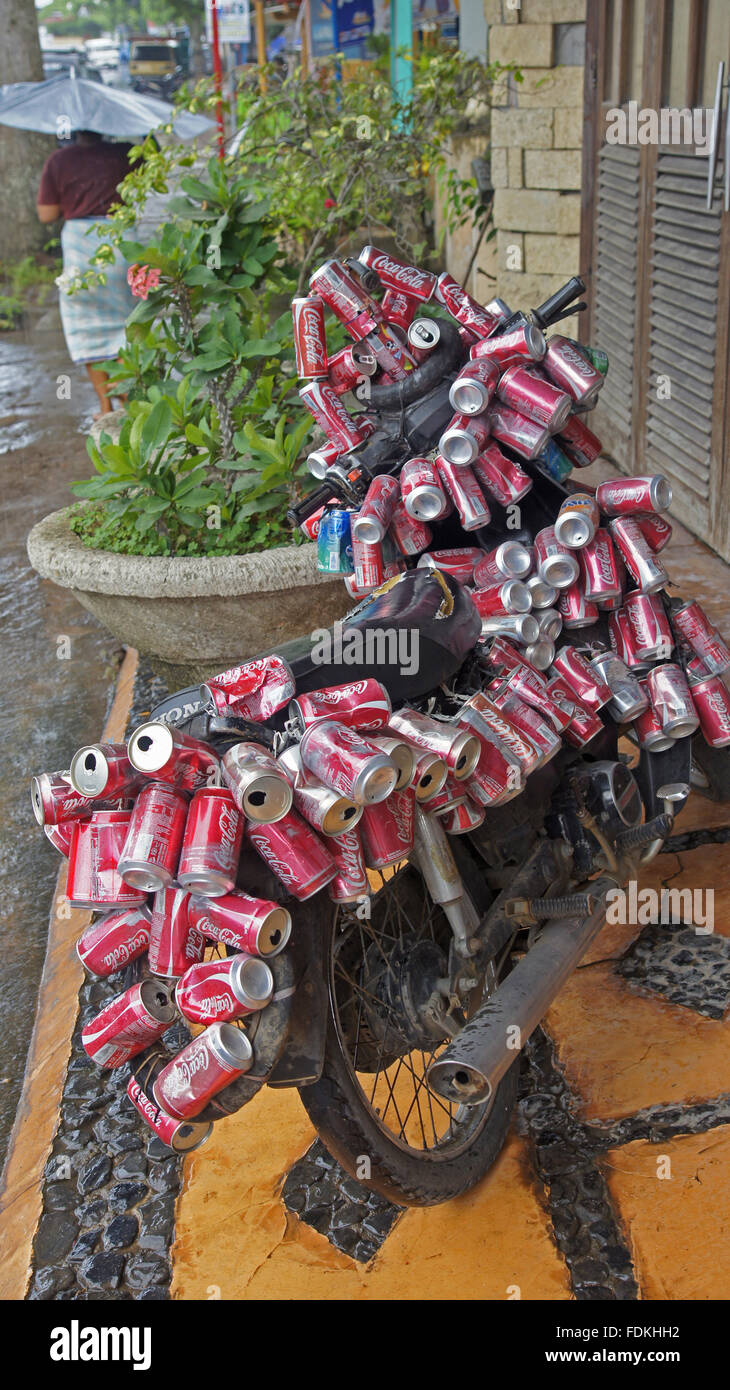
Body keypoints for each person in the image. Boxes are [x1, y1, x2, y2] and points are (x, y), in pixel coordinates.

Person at [36, 130, 136, 417]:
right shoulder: (124, 152)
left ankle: (104, 406)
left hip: (82, 249)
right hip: (122, 241)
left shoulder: (59, 160)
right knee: (125, 327)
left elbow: (46, 214)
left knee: (88, 328)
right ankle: (128, 402)